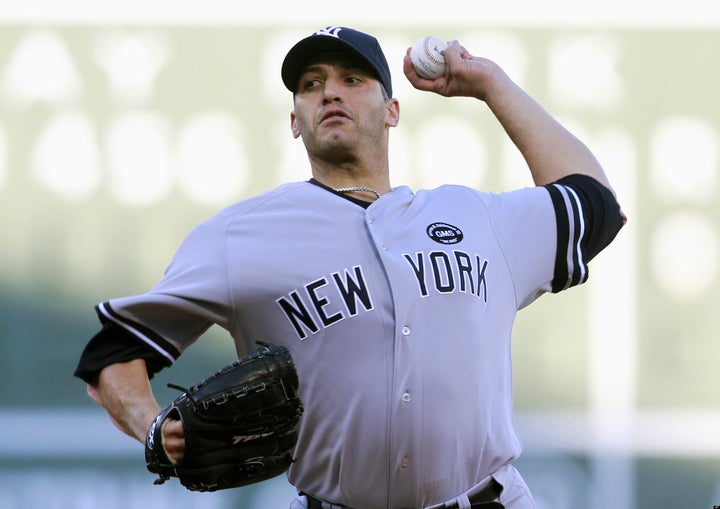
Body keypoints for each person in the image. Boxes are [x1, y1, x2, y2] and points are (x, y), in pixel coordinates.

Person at [74, 25, 625, 509]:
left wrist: (492, 85)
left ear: (392, 110)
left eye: (352, 79)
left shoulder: (476, 218)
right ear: (295, 121)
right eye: (311, 84)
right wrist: (152, 429)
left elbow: (594, 205)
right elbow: (114, 354)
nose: (329, 91)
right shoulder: (238, 236)